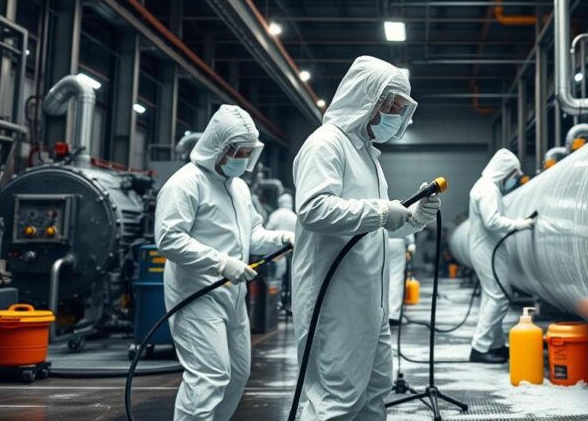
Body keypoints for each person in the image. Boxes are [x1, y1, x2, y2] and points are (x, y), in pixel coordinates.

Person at [292, 56, 441, 420]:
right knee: (336, 400)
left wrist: (415, 216)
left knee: (373, 398)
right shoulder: (326, 145)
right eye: (390, 105)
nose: (394, 115)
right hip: (334, 302)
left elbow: (381, 225)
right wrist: (380, 211)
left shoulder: (368, 157)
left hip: (369, 304)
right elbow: (313, 210)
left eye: (399, 108)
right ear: (366, 100)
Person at [155, 105, 294, 421]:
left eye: (248, 152)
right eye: (238, 151)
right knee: (209, 376)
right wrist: (221, 263)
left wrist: (283, 239)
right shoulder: (185, 184)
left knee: (237, 375)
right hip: (197, 296)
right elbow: (169, 239)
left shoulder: (239, 187)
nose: (243, 159)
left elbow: (252, 235)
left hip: (233, 297)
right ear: (218, 147)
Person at [467, 149, 535, 364]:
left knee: (494, 296)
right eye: (513, 174)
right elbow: (492, 221)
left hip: (488, 246)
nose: (514, 179)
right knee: (499, 296)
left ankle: (494, 345)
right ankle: (480, 347)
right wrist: (521, 224)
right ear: (504, 171)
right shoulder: (488, 189)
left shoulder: (487, 186)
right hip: (487, 248)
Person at [387, 234, 416, 324]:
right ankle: (393, 315)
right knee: (396, 278)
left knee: (378, 278)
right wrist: (410, 250)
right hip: (397, 241)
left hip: (378, 242)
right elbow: (411, 231)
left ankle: (380, 314)